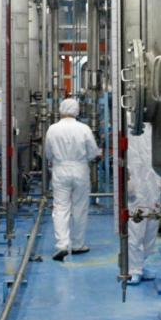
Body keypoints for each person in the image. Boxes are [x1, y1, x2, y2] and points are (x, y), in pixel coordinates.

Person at [45, 98, 100, 261]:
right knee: (80, 207)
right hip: (80, 169)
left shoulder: (52, 129)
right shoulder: (84, 128)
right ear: (77, 110)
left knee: (61, 207)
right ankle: (77, 244)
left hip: (60, 169)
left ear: (61, 109)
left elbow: (48, 153)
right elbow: (93, 152)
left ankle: (62, 244)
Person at [126, 123, 161, 284]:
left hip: (154, 181)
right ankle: (133, 268)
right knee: (136, 226)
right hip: (136, 182)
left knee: (152, 224)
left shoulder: (154, 126)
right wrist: (126, 179)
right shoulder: (128, 124)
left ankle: (142, 264)